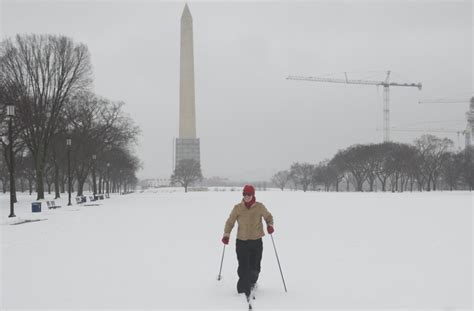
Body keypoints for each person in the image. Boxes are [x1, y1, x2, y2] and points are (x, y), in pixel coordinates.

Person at [221, 184, 274, 299]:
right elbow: (230, 222)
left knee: (255, 267)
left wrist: (270, 225)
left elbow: (269, 217)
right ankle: (242, 290)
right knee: (243, 266)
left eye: (249, 194)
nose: (246, 196)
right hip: (242, 242)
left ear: (253, 195)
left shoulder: (260, 207)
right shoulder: (238, 208)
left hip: (256, 241)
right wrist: (226, 234)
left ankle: (252, 283)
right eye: (244, 194)